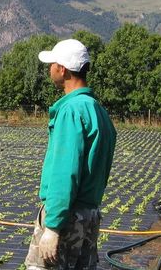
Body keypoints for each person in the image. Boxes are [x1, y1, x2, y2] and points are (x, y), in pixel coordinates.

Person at [25, 39, 117, 270]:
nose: (49, 69)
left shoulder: (71, 110)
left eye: (52, 64)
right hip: (89, 215)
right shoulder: (97, 110)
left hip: (68, 218)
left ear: (62, 69)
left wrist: (53, 227)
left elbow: (64, 172)